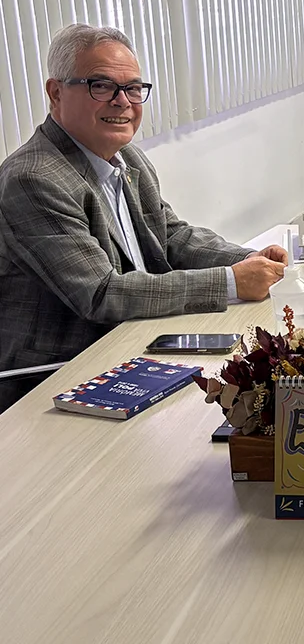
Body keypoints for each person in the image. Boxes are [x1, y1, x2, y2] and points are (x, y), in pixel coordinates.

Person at [0, 24, 287, 411]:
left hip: (132, 342)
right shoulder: (33, 179)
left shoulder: (126, 158)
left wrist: (246, 259)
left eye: (133, 88)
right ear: (56, 92)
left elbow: (171, 236)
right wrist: (230, 282)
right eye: (101, 86)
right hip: (56, 378)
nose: (122, 102)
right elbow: (101, 294)